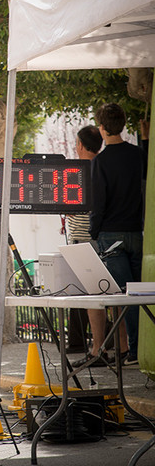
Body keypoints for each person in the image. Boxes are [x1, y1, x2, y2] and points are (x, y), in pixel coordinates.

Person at [76, 104, 148, 368]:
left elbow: (99, 202)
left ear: (102, 128)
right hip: (136, 232)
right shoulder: (137, 154)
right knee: (141, 295)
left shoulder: (101, 162)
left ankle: (132, 351)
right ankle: (141, 349)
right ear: (124, 124)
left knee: (123, 298)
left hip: (110, 236)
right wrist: (146, 139)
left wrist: (94, 232)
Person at [64, 125, 102, 354]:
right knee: (101, 292)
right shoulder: (102, 167)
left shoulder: (77, 172)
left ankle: (79, 343)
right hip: (100, 237)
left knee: (80, 292)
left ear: (80, 145)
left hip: (81, 239)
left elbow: (70, 206)